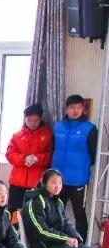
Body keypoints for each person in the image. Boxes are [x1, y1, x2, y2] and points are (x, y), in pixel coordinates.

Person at [52, 94, 98, 240]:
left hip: (79, 180)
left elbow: (94, 155)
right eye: (72, 107)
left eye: (79, 107)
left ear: (83, 109)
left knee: (79, 213)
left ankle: (81, 243)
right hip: (57, 179)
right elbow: (52, 149)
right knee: (55, 211)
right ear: (66, 109)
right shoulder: (57, 126)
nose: (75, 110)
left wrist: (80, 165)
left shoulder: (90, 128)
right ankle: (56, 241)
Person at [4, 103, 53, 212]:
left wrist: (37, 158)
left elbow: (51, 156)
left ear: (40, 118)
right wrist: (24, 159)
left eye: (35, 120)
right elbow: (9, 154)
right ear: (25, 119)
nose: (32, 123)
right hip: (17, 182)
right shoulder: (17, 135)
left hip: (37, 183)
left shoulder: (48, 135)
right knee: (14, 212)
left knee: (34, 212)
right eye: (29, 120)